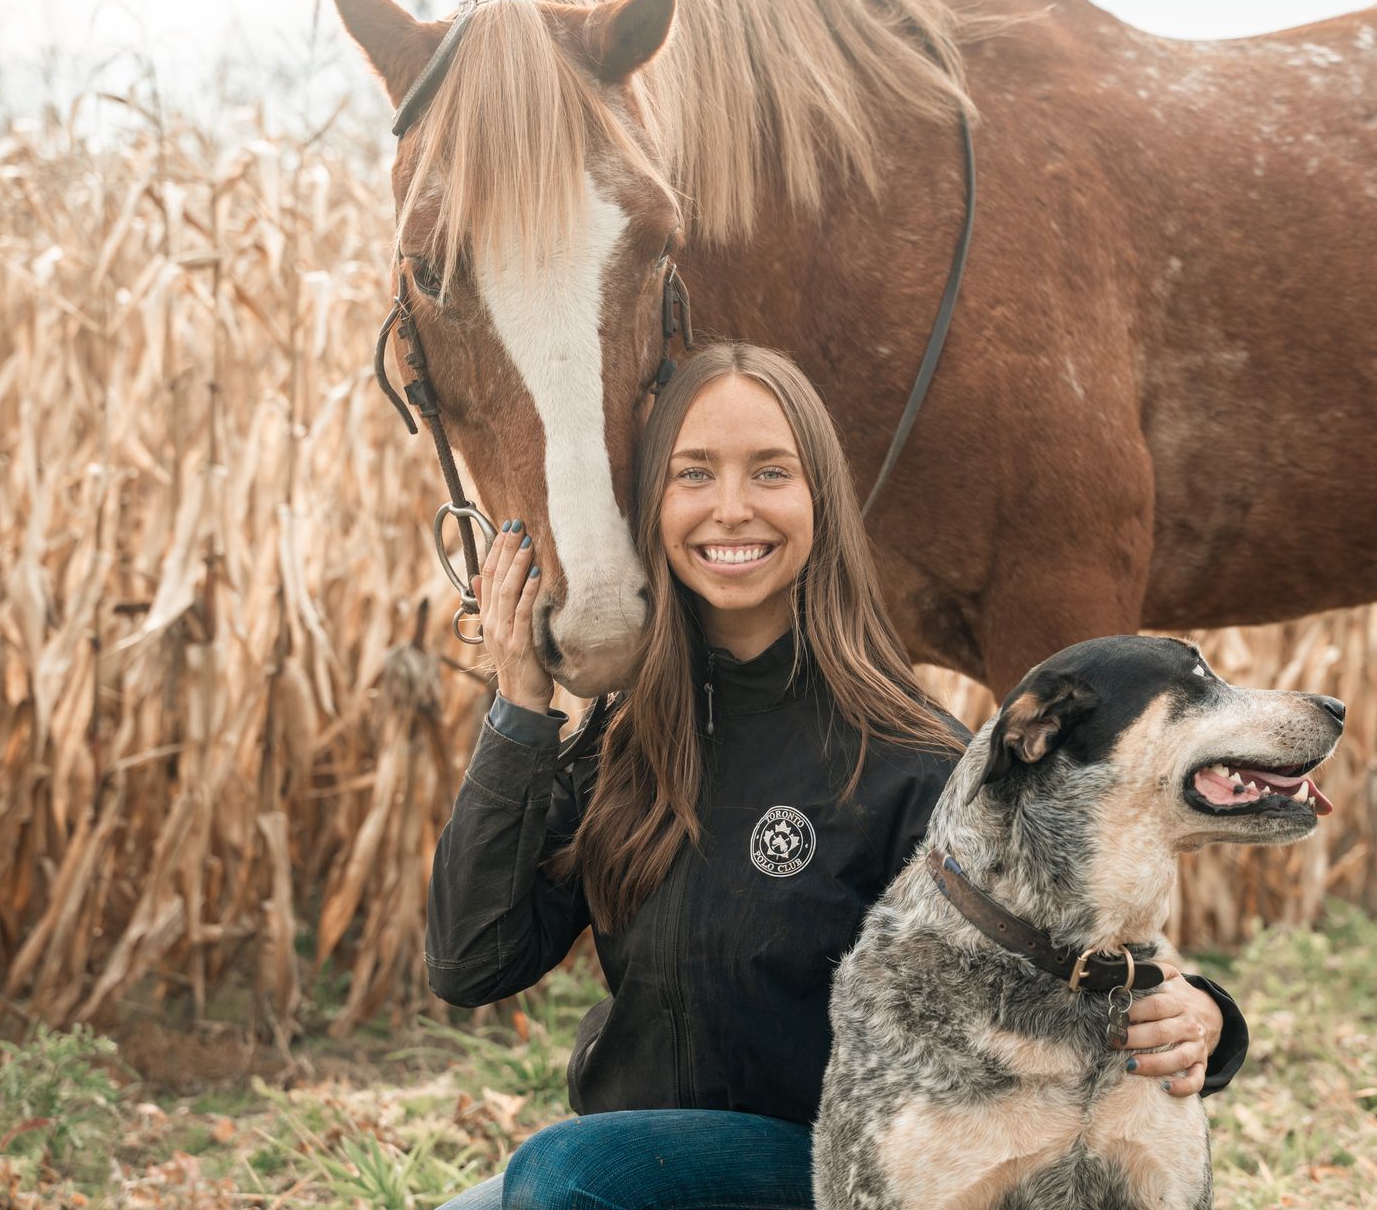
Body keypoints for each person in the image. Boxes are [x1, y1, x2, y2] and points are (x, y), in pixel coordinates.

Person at [431, 343, 1248, 1210]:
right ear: (652, 505)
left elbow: (1063, 939)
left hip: (828, 1172)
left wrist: (1210, 1019)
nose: (731, 508)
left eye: (771, 472)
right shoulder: (621, 746)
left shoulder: (913, 761)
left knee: (560, 1179)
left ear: (822, 499)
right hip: (633, 1167)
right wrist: (519, 709)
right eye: (693, 474)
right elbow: (472, 962)